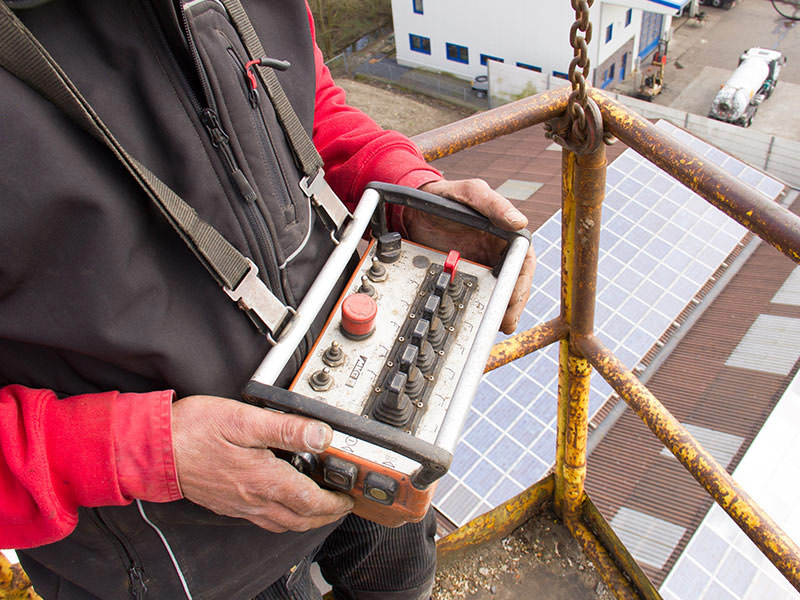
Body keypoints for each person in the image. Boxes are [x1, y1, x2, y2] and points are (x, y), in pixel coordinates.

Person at [0, 0, 535, 598]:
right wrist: (142, 451)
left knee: (399, 582)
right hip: (180, 551)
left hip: (361, 421)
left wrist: (404, 191)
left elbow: (301, 103)